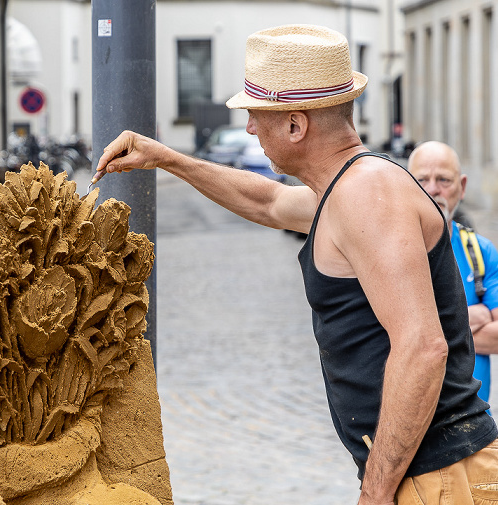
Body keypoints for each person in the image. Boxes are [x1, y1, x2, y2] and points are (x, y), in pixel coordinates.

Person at [93, 24, 498, 505]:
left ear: (294, 124)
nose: (248, 128)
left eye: (256, 115)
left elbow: (423, 347)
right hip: (431, 477)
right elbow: (267, 202)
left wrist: (376, 489)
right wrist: (166, 159)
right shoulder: (345, 192)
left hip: (442, 477)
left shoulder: (367, 194)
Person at [408, 141, 498, 406]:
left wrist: (430, 328)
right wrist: (474, 315)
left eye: (444, 180)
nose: (433, 189)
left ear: (463, 186)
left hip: (474, 423)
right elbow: (386, 340)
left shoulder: (481, 252)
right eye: (422, 179)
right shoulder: (390, 252)